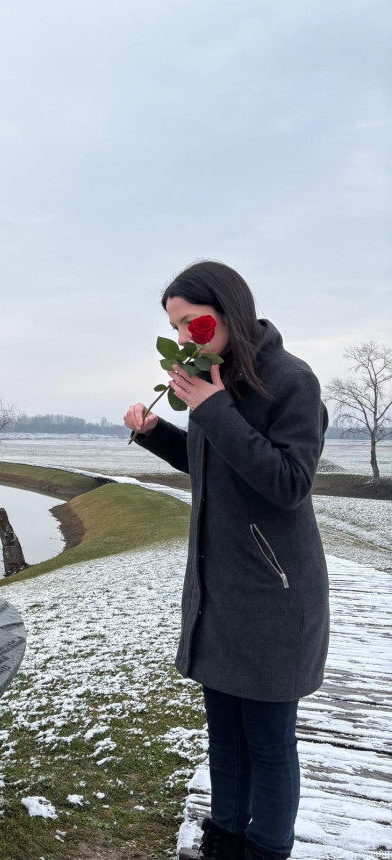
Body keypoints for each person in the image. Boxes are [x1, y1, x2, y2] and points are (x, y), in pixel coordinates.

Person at [123, 261, 330, 860]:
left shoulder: (292, 381)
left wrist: (211, 408)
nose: (185, 337)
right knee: (225, 739)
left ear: (230, 311)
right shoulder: (209, 379)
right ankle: (226, 837)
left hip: (275, 595)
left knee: (268, 742)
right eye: (175, 326)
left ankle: (266, 848)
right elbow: (213, 468)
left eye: (193, 322)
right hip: (220, 591)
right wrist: (160, 432)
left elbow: (289, 483)